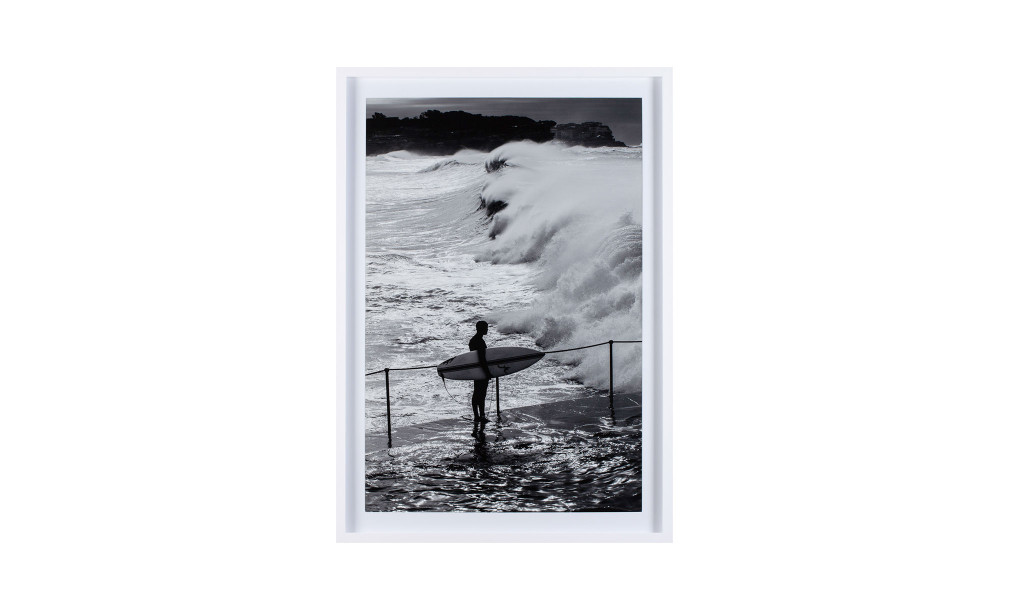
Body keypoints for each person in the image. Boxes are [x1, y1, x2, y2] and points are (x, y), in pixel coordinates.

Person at [469, 321, 492, 422]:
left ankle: (478, 416)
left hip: (476, 370)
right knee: (481, 393)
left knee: (478, 392)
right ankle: (479, 416)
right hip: (481, 370)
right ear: (481, 329)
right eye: (486, 328)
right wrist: (487, 372)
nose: (487, 329)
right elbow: (482, 359)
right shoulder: (479, 341)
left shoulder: (473, 340)